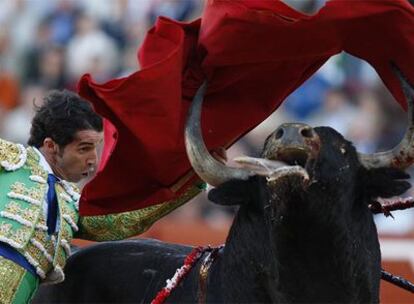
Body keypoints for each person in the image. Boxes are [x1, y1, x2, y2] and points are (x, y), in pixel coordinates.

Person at [0, 90, 204, 303]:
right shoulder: (9, 158)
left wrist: (188, 180)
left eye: (96, 148)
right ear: (51, 146)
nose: (93, 160)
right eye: (84, 149)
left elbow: (123, 221)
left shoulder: (71, 205)